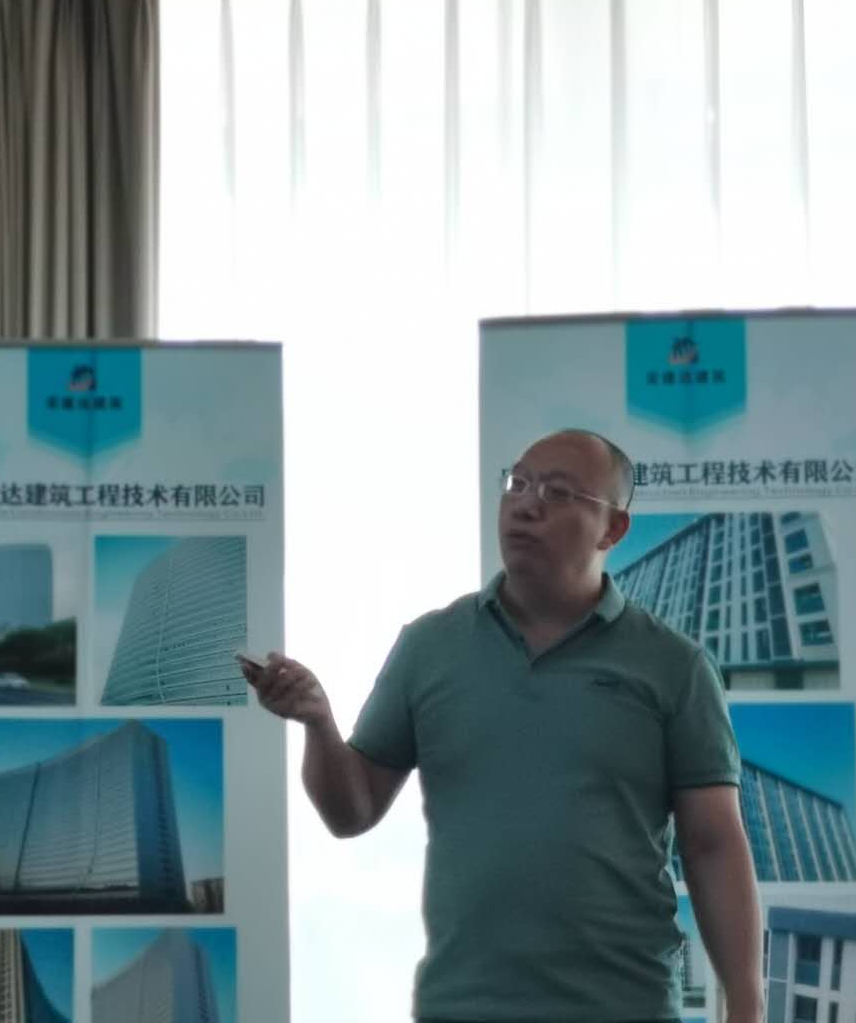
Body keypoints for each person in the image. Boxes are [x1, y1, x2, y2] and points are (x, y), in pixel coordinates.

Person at [244, 429, 763, 1023]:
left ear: (612, 529)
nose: (525, 504)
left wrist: (747, 1007)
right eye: (517, 484)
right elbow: (351, 812)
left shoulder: (673, 666)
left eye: (558, 493)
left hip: (625, 1005)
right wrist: (318, 724)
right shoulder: (430, 646)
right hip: (462, 1005)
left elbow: (714, 845)